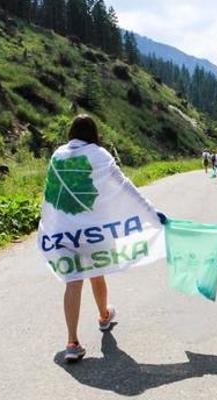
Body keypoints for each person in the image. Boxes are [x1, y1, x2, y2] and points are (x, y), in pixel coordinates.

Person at [49, 115, 168, 363]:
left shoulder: (58, 154)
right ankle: (104, 316)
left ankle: (72, 342)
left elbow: (51, 194)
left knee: (73, 282)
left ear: (71, 132)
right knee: (96, 270)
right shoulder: (101, 155)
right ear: (94, 134)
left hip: (64, 229)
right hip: (93, 231)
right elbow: (124, 186)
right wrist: (151, 212)